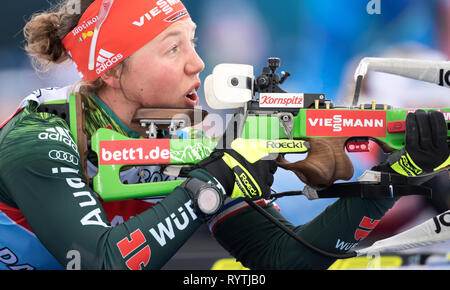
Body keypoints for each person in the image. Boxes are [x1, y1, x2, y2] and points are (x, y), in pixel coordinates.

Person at [0, 0, 448, 270]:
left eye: (193, 42)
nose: (197, 63)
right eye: (173, 48)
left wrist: (394, 177)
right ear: (115, 70)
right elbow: (100, 262)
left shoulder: (189, 134)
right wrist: (214, 184)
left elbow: (284, 260)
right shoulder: (39, 137)